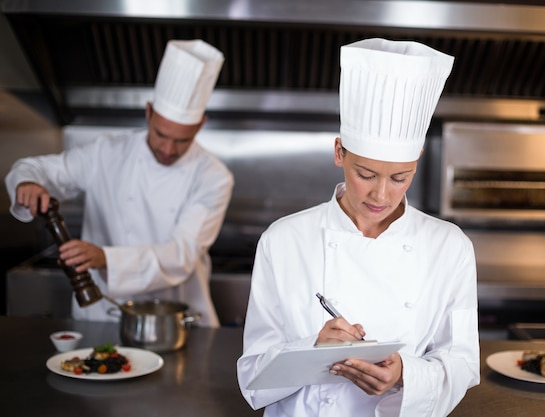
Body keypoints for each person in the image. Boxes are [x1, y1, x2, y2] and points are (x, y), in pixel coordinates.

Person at [237, 38, 480, 416]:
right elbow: (253, 378)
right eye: (365, 174)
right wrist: (311, 348)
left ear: (417, 159)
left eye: (400, 177)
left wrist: (406, 375)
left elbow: (462, 364)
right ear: (339, 152)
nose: (381, 194)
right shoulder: (283, 240)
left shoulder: (450, 247)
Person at [5, 39, 234, 327]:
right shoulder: (106, 152)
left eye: (182, 140)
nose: (168, 149)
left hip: (175, 320)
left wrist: (107, 259)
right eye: (161, 134)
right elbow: (37, 169)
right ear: (148, 112)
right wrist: (29, 182)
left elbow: (181, 254)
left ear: (201, 125)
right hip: (102, 313)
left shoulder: (213, 176)